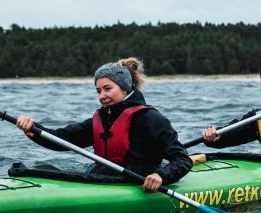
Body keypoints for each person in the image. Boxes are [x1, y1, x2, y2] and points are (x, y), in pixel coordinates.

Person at [15, 58, 192, 191]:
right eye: (98, 91)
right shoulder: (100, 120)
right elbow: (62, 139)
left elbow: (182, 160)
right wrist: (33, 129)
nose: (101, 96)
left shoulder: (151, 118)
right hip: (102, 178)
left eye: (108, 89)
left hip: (136, 182)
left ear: (125, 88)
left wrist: (160, 175)